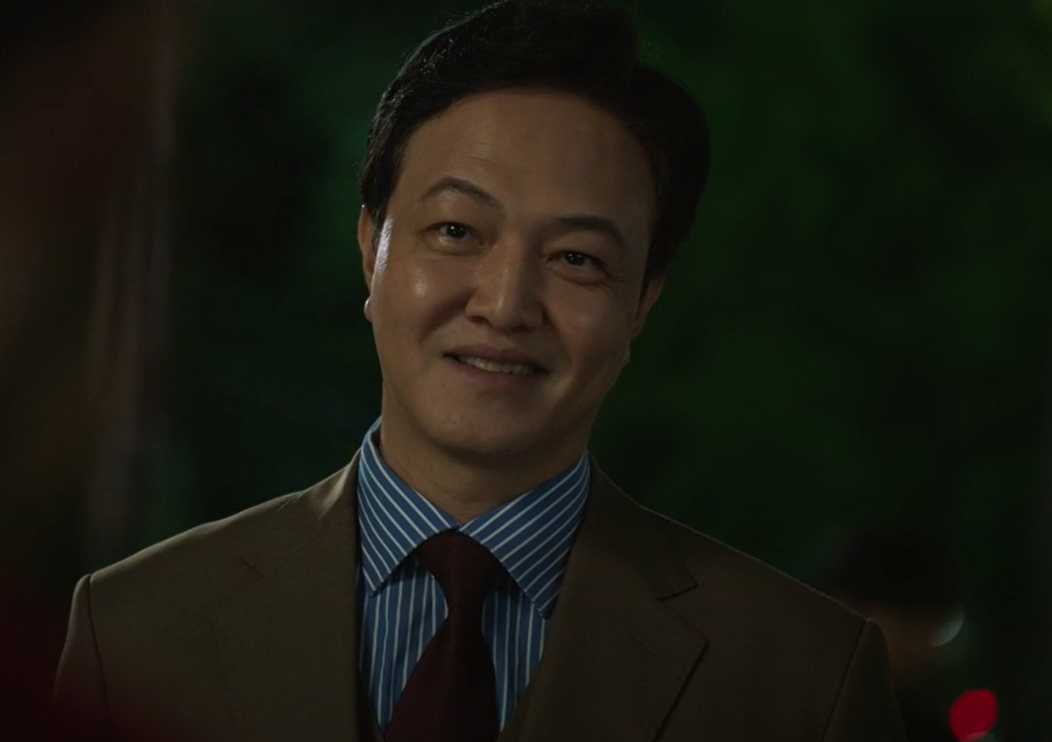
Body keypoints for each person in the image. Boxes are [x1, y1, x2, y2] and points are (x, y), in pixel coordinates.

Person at [54, 2, 909, 740]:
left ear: (643, 301)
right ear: (371, 248)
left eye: (577, 258)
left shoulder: (804, 676)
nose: (505, 305)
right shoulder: (132, 634)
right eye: (458, 232)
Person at [818, 527, 961, 742]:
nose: (923, 649)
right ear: (847, 607)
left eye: (930, 628)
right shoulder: (788, 714)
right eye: (909, 623)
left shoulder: (921, 731)